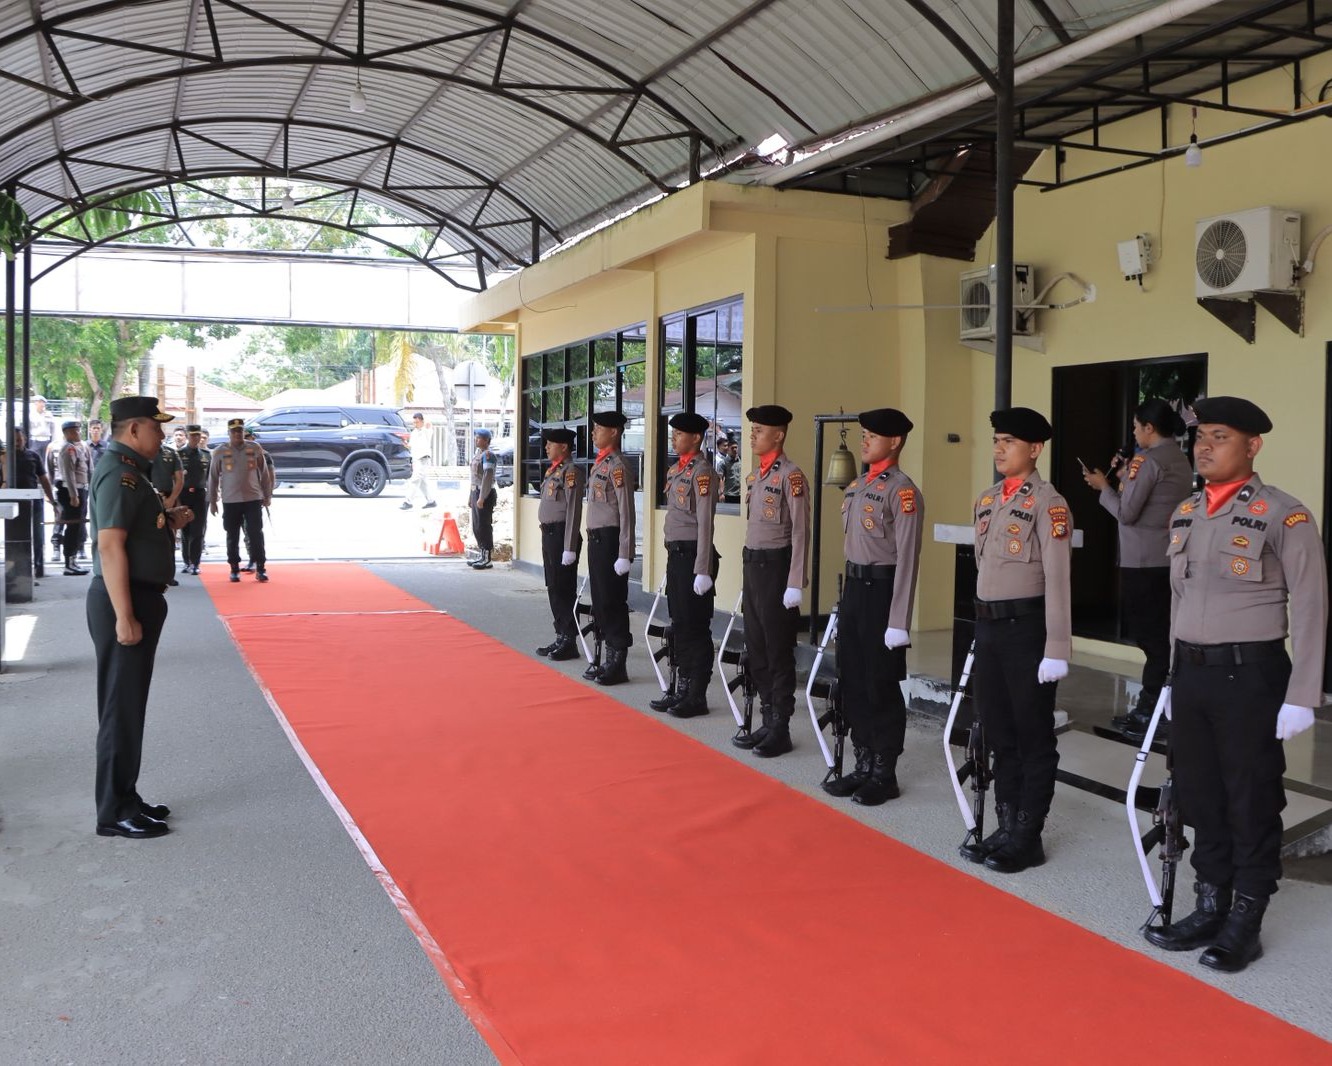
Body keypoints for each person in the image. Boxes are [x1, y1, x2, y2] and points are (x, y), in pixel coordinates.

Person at [1142, 397, 1326, 973]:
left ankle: (1246, 915)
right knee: (1200, 792)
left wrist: (1304, 692)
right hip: (1192, 674)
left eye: (1219, 437)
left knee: (1249, 796)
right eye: (1200, 437)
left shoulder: (1283, 515)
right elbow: (1178, 603)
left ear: (1253, 446)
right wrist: (1172, 676)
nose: (1204, 447)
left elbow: (1316, 605)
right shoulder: (1185, 512)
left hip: (1251, 676)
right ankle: (1210, 900)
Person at [964, 407, 1073, 874]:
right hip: (989, 628)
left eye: (1008, 441)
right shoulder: (988, 499)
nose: (999, 449)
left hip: (1027, 631)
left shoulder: (1050, 504)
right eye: (996, 440)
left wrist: (1057, 648)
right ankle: (1007, 824)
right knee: (999, 732)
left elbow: (1059, 579)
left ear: (1035, 449)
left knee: (1032, 734)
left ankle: (1028, 834)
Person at [86, 395, 192, 839]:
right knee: (121, 709)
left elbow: (131, 534)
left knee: (129, 705)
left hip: (138, 596)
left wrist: (168, 518)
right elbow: (109, 546)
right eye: (155, 427)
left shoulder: (135, 475)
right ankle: (113, 811)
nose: (162, 435)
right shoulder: (120, 474)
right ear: (133, 430)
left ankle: (125, 795)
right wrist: (124, 616)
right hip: (123, 600)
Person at [824, 408, 924, 806]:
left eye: (872, 435)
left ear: (895, 441)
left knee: (880, 682)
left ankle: (884, 771)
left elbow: (909, 560)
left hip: (884, 594)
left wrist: (899, 620)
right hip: (855, 591)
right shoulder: (857, 487)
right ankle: (862, 761)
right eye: (862, 434)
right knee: (853, 678)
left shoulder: (903, 491)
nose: (864, 441)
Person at [1083, 399, 1194, 741]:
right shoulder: (1179, 458)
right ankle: (1165, 702)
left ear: (1148, 428)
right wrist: (1123, 480)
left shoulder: (1146, 460)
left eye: (1135, 426)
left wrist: (1103, 486)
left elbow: (1128, 513)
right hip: (1168, 558)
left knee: (1152, 638)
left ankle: (1153, 706)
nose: (1133, 432)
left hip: (1143, 562)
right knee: (1162, 633)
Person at [735, 404, 810, 758]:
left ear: (778, 435)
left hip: (778, 568)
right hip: (753, 566)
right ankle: (766, 718)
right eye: (751, 430)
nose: (752, 435)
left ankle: (781, 727)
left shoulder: (791, 476)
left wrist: (796, 580)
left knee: (778, 649)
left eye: (759, 430)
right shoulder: (756, 477)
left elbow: (800, 533)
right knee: (756, 646)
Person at [653, 411, 719, 718]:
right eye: (673, 433)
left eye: (679, 434)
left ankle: (696, 694)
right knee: (679, 625)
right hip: (676, 556)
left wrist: (703, 568)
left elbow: (705, 523)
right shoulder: (676, 471)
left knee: (695, 628)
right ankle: (679, 688)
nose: (674, 438)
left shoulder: (702, 471)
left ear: (695, 437)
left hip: (695, 557)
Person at [584, 410, 636, 685]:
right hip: (596, 539)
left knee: (613, 600)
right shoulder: (600, 464)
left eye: (598, 428)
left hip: (611, 540)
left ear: (614, 432)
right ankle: (607, 658)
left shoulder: (618, 466)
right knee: (601, 600)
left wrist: (625, 552)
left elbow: (627, 511)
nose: (593, 433)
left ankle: (618, 662)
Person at [535, 428, 584, 662]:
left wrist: (569, 546)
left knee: (564, 590)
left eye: (550, 444)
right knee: (553, 587)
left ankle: (569, 639)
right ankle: (560, 634)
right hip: (550, 535)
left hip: (562, 536)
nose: (546, 447)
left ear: (564, 447)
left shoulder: (571, 472)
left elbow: (574, 510)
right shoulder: (552, 472)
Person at [208, 417, 274, 583]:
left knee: (255, 534)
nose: (237, 434)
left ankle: (260, 567)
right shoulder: (220, 451)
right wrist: (213, 500)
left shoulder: (254, 448)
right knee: (232, 535)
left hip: (253, 498)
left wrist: (267, 495)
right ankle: (234, 568)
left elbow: (264, 474)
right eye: (234, 431)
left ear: (243, 432)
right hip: (230, 500)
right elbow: (213, 477)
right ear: (229, 433)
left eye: (240, 430)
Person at [11, 427, 58, 579]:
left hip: (34, 501)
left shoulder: (33, 456)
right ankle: (19, 570)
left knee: (38, 537)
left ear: (24, 439)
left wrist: (52, 500)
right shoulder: (5, 457)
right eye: (15, 440)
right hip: (13, 502)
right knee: (17, 538)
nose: (18, 442)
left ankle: (38, 568)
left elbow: (44, 479)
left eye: (20, 439)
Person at [55, 420, 91, 576]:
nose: (78, 433)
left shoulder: (78, 447)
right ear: (67, 433)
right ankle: (68, 564)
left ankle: (73, 561)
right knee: (72, 527)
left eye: (79, 430)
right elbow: (69, 474)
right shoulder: (68, 449)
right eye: (75, 431)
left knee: (77, 528)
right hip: (72, 492)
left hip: (80, 490)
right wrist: (73, 495)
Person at [176, 424, 212, 575]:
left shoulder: (206, 454)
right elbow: (174, 478)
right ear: (187, 436)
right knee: (185, 529)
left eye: (198, 435)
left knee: (198, 530)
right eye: (192, 435)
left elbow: (210, 476)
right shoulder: (178, 454)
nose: (195, 438)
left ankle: (195, 563)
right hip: (183, 494)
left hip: (199, 495)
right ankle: (186, 561)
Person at [468, 428, 498, 569]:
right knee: (476, 526)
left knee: (484, 526)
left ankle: (487, 558)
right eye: (476, 437)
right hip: (476, 491)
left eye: (479, 438)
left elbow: (487, 477)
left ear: (486, 440)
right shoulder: (478, 455)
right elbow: (474, 478)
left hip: (484, 493)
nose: (476, 440)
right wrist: (471, 496)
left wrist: (482, 497)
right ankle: (481, 554)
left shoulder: (488, 455)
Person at [402, 412, 438, 511]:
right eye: (414, 422)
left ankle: (408, 501)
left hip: (423, 458)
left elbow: (429, 424)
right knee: (422, 483)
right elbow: (411, 445)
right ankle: (431, 501)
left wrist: (424, 422)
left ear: (421, 421)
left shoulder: (426, 430)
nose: (415, 424)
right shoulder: (413, 433)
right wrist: (406, 444)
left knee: (415, 479)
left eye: (417, 422)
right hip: (416, 459)